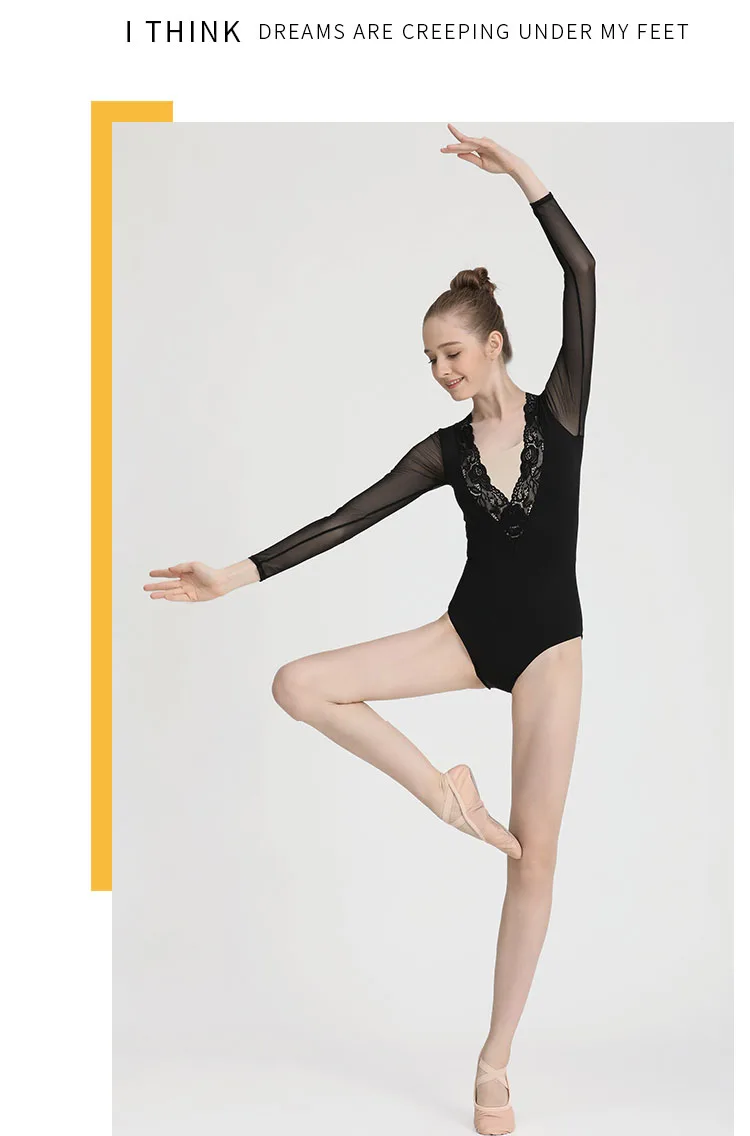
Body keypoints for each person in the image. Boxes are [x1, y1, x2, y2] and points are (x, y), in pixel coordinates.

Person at [144, 123, 596, 1136]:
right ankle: (445, 796)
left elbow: (582, 271)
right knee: (298, 683)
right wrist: (235, 576)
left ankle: (494, 1062)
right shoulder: (444, 451)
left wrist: (521, 175)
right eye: (429, 358)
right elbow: (347, 518)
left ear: (494, 343)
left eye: (451, 352)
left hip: (548, 649)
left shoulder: (562, 410)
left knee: (535, 856)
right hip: (468, 631)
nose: (439, 369)